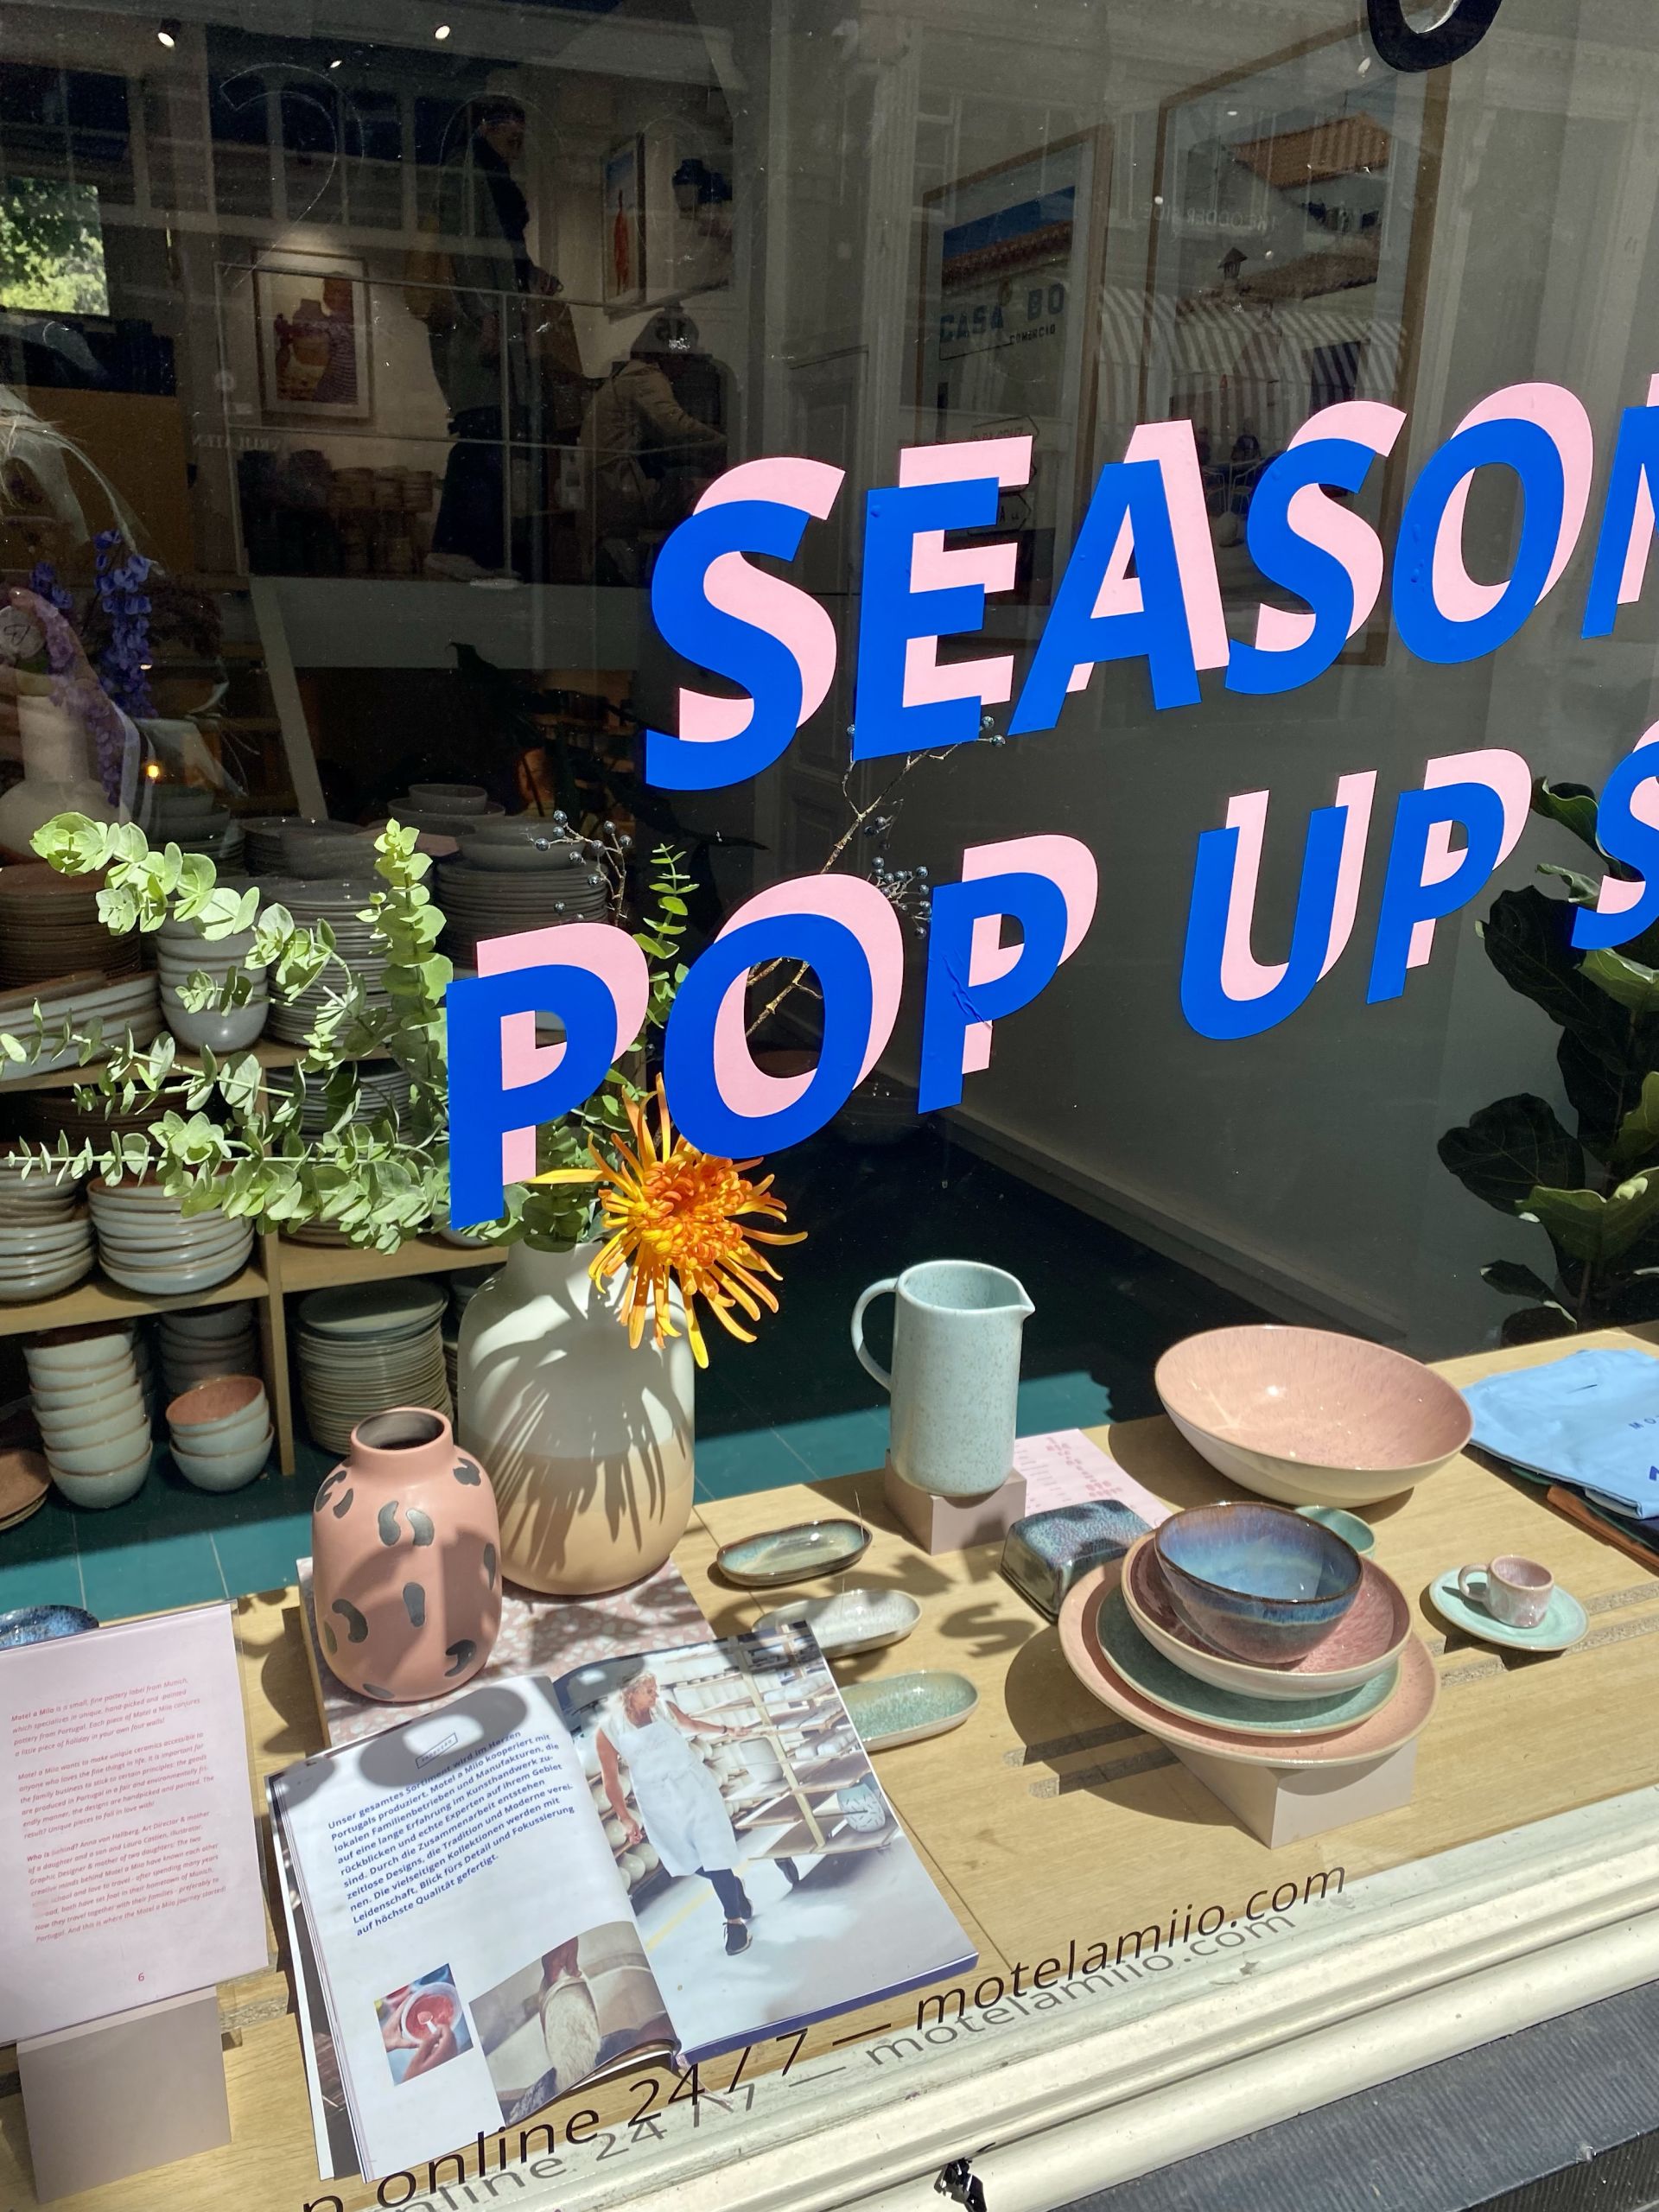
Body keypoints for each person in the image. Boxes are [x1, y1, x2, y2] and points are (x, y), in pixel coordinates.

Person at [419, 95, 574, 582]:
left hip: (496, 325)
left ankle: (478, 551)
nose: (517, 140)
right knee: (484, 432)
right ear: (486, 127)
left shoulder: (486, 175)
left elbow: (496, 251)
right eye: (510, 130)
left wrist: (529, 277)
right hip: (482, 331)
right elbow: (468, 251)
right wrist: (485, 314)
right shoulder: (468, 174)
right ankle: (456, 546)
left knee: (493, 434)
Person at [594, 1668, 800, 1956]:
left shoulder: (664, 1709)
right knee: (685, 1859)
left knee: (714, 1853)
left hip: (695, 1788)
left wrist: (727, 1730)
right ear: (630, 1694)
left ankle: (735, 1923)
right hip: (657, 1801)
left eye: (655, 1688)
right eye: (649, 1691)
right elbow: (610, 1779)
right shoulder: (609, 1730)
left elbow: (690, 1724)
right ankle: (732, 1886)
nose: (656, 1694)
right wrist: (624, 1817)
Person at [578, 309, 725, 583]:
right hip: (623, 494)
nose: (686, 365)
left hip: (608, 493)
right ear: (668, 354)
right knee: (714, 492)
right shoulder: (645, 377)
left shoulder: (626, 375)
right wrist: (727, 443)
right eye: (685, 356)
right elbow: (675, 426)